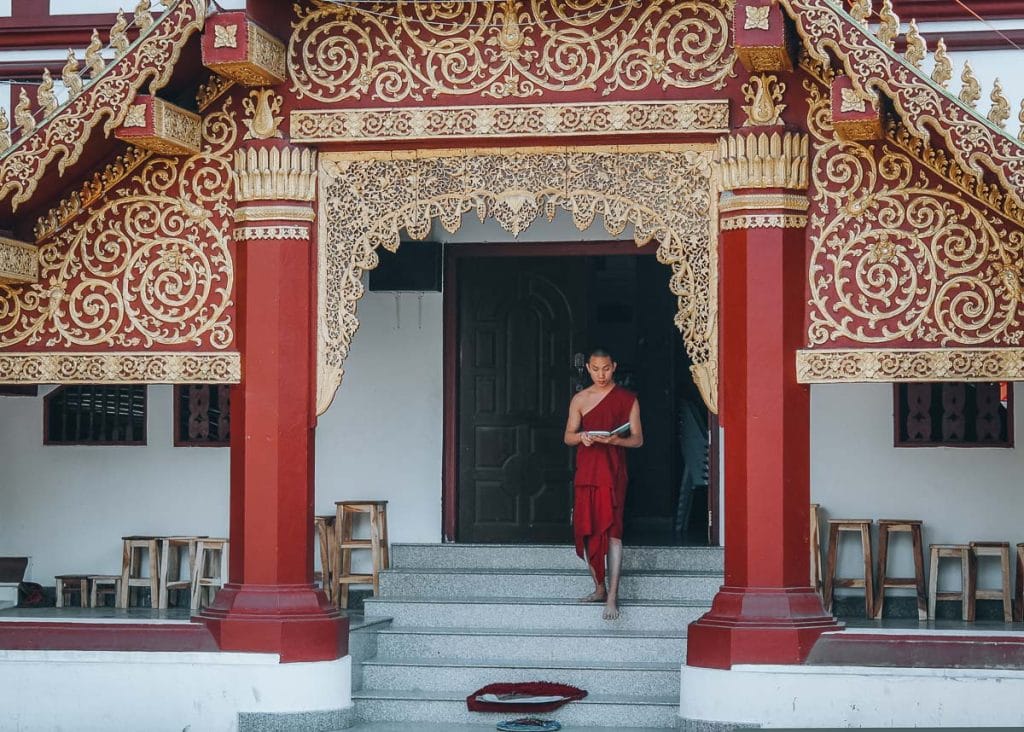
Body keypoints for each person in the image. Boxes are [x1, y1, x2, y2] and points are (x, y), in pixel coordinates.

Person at [563, 348, 643, 620]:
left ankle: (612, 596)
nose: (601, 374)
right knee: (585, 529)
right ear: (588, 368)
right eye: (596, 369)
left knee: (613, 531)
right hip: (587, 472)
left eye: (606, 369)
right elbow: (568, 436)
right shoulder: (580, 399)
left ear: (614, 366)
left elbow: (638, 439)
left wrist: (616, 440)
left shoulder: (627, 399)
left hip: (613, 472)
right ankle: (599, 587)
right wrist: (582, 436)